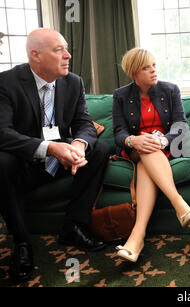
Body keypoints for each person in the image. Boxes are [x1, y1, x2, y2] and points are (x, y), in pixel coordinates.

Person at [0, 28, 111, 284]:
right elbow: (2, 133)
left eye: (67, 48)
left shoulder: (73, 82)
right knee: (2, 161)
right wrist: (49, 148)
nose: (68, 55)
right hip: (25, 164)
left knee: (100, 149)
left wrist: (79, 146)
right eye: (59, 50)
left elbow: (84, 123)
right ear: (35, 56)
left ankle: (74, 225)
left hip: (62, 160)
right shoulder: (7, 82)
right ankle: (22, 243)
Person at [112, 48, 190, 263]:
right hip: (134, 148)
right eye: (146, 67)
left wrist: (162, 140)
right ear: (134, 73)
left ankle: (136, 238)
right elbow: (119, 132)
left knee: (147, 156)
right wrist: (133, 140)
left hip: (162, 147)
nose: (153, 70)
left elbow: (180, 126)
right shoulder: (121, 95)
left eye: (154, 65)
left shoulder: (170, 90)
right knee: (144, 147)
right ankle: (179, 204)